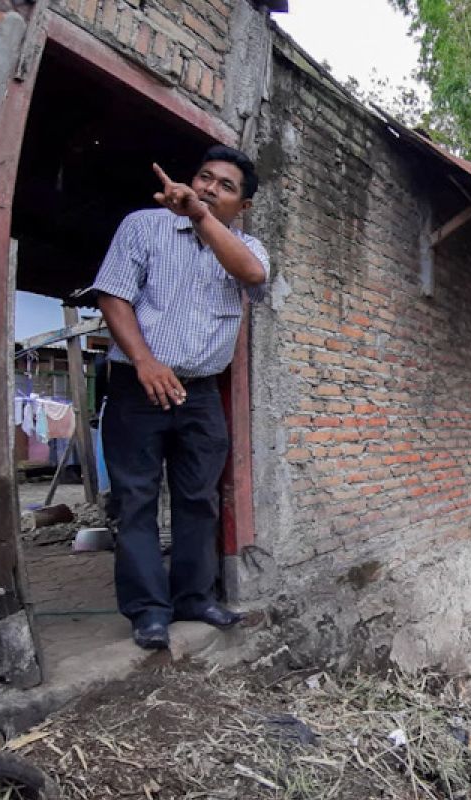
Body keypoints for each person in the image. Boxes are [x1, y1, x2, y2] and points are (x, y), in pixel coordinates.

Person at [92, 145, 270, 650]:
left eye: (225, 187)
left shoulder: (247, 250)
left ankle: (194, 597)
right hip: (137, 384)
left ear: (243, 206)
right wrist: (146, 361)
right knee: (136, 501)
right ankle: (149, 610)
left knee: (199, 500)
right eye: (204, 177)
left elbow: (254, 278)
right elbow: (113, 296)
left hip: (199, 395)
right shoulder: (143, 226)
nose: (211, 188)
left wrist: (200, 218)